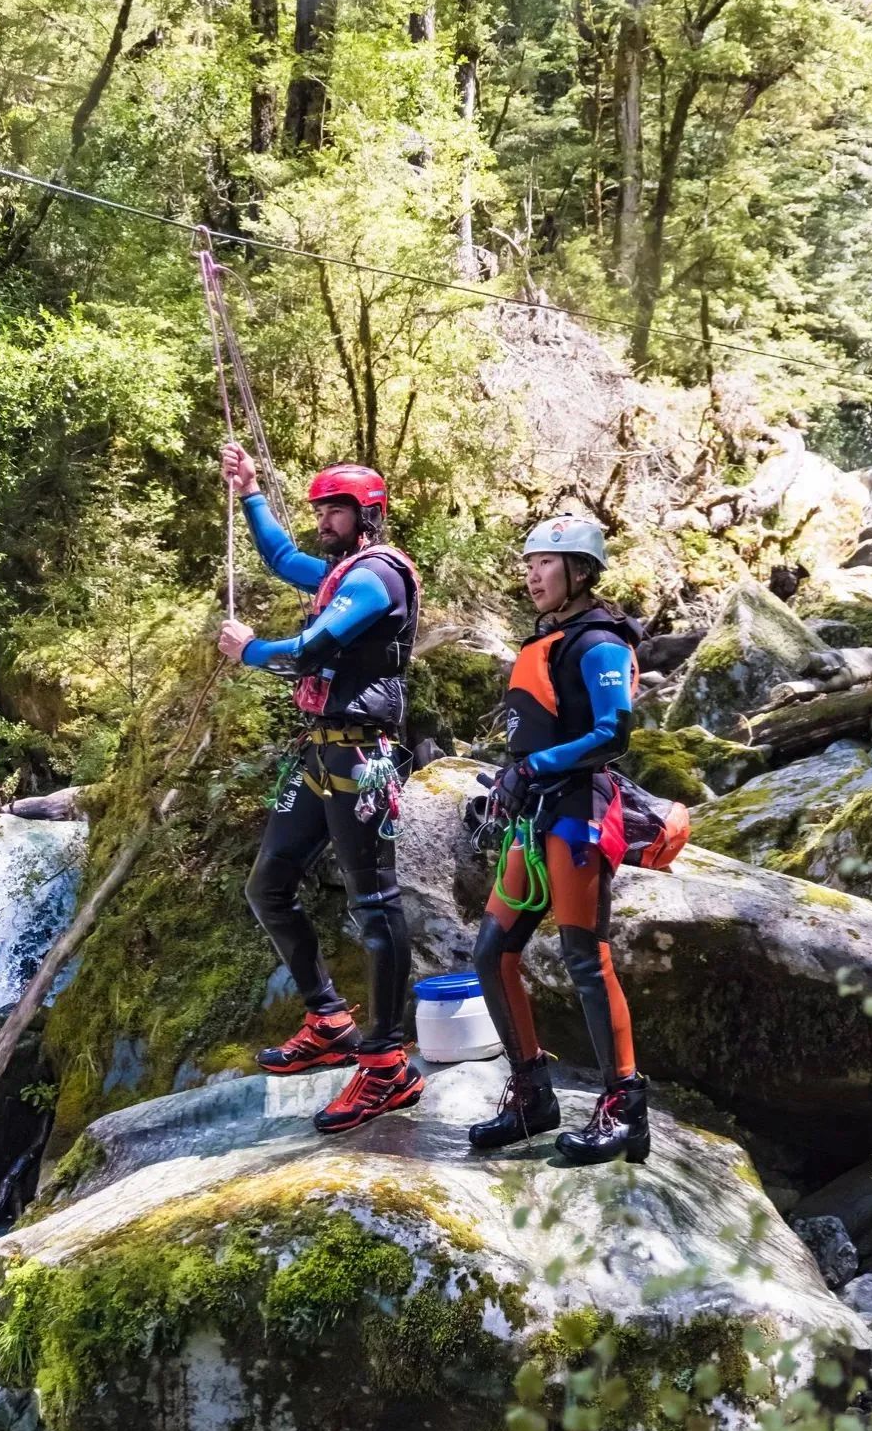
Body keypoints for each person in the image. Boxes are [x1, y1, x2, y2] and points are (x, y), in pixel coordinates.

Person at [217, 443, 422, 1134]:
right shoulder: (340, 573)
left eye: (335, 508)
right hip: (318, 755)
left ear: (365, 514)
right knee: (267, 886)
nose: (323, 518)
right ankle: (330, 1017)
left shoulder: (379, 579)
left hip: (363, 759)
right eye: (320, 508)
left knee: (374, 903)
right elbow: (280, 560)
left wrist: (251, 649)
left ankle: (387, 1064)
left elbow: (313, 648)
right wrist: (248, 492)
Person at [469, 516, 650, 1165]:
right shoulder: (551, 638)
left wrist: (533, 770)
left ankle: (624, 1105)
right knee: (492, 950)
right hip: (536, 815)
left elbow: (613, 734)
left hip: (578, 811)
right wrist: (506, 782)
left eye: (544, 563)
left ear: (578, 571)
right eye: (528, 564)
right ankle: (532, 1093)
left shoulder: (600, 643)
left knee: (584, 959)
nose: (531, 575)